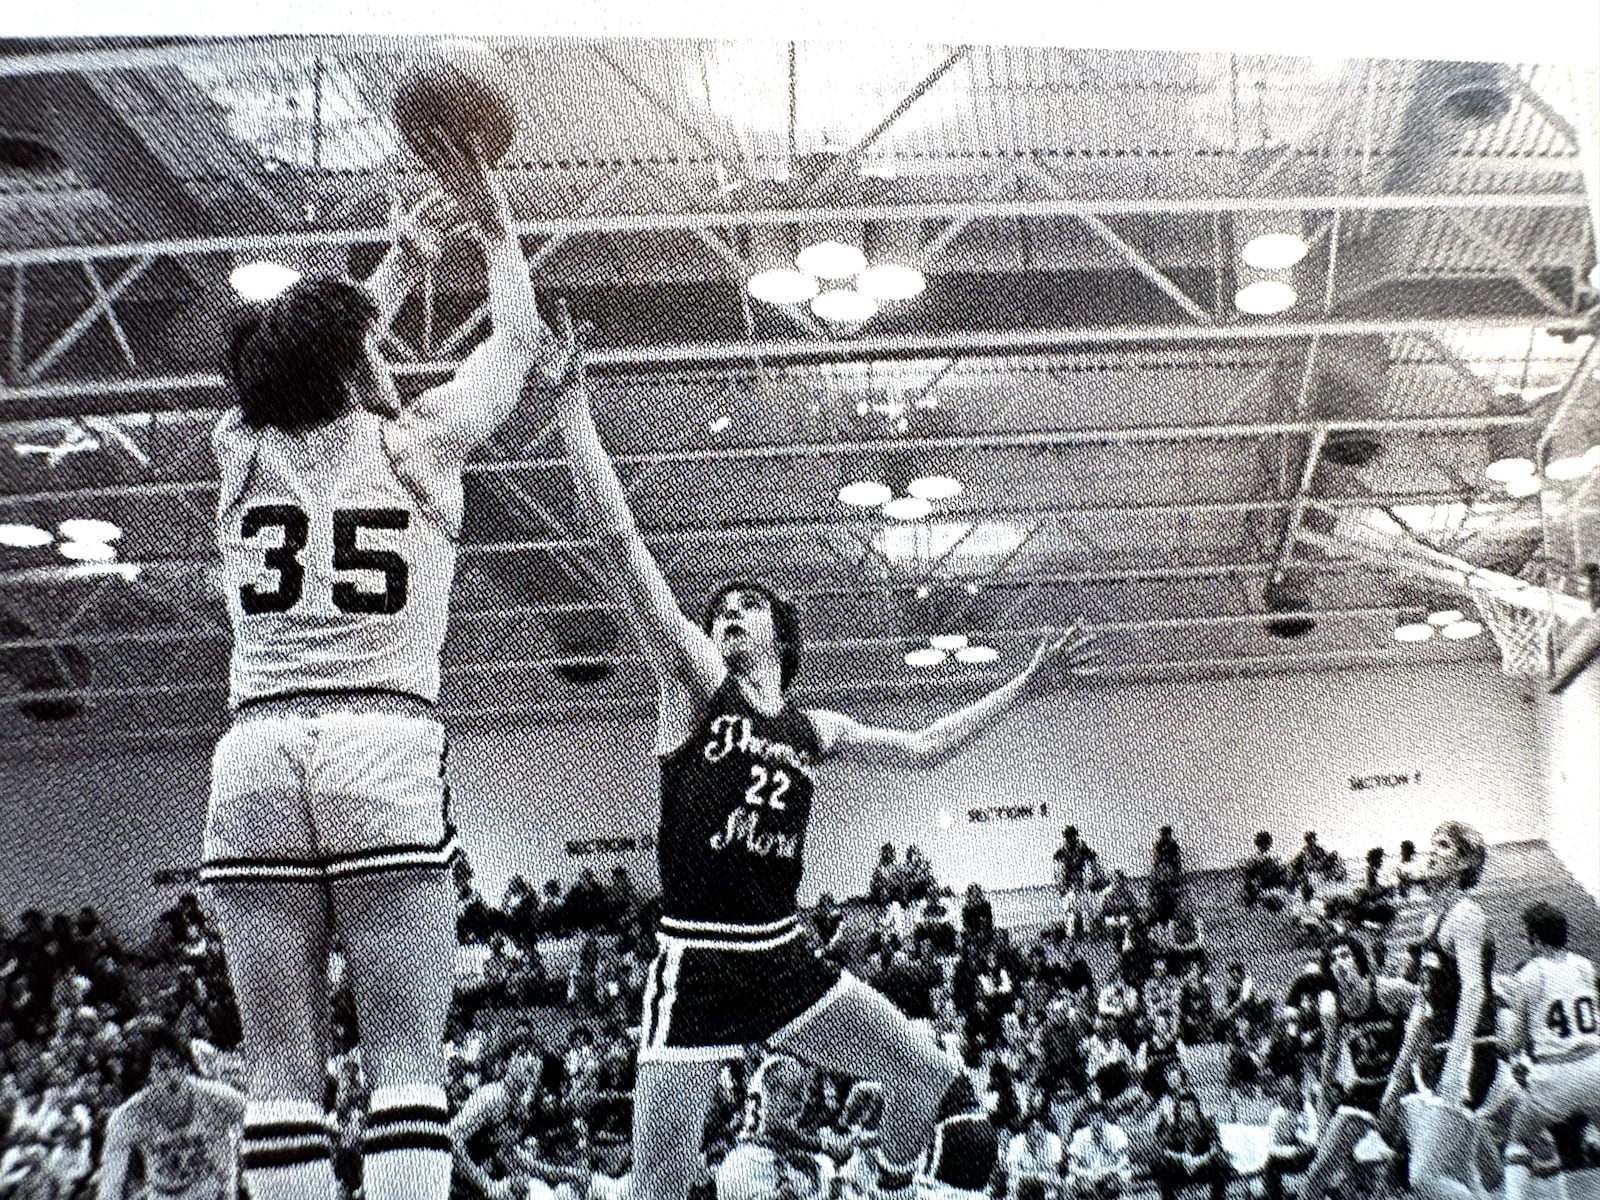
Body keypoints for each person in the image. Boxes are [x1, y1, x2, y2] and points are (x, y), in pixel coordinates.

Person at [551, 319, 1099, 1200]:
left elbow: (927, 749)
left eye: (745, 607)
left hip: (780, 952)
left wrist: (1025, 687)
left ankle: (887, 1183)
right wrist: (573, 408)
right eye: (717, 607)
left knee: (925, 1078)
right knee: (657, 1187)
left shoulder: (818, 727)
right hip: (694, 958)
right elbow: (621, 548)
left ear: (780, 632)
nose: (725, 614)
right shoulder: (694, 684)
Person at [203, 136, 570, 1200]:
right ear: (354, 363)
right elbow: (517, 335)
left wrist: (396, 268)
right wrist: (493, 222)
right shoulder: (422, 443)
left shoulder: (240, 449)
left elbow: (305, 361)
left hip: (257, 751)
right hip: (379, 740)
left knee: (280, 1074)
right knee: (406, 1064)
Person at [1380, 822, 1506, 1200]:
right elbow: (1424, 1005)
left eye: (1444, 845)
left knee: (1425, 1177)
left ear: (1465, 862)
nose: (1431, 851)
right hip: (1435, 1054)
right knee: (1476, 1176)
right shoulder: (1432, 919)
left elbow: (1475, 991)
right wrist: (1398, 1075)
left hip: (1467, 1053)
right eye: (1431, 843)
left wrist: (1456, 1065)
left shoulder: (1467, 916)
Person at [1294, 937, 1416, 1200]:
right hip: (1363, 1094)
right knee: (1320, 1168)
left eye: (1345, 955)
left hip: (1399, 1090)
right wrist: (1326, 1097)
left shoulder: (1385, 989)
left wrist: (1415, 1059)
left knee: (1406, 1176)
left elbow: (1425, 1004)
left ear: (1358, 960)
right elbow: (1330, 1054)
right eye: (1334, 959)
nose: (1340, 963)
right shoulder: (1334, 1007)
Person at [1500, 902, 1600, 1200]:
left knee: (1518, 1139)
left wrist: (1504, 1046)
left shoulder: (1531, 973)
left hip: (1556, 1073)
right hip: (1594, 1064)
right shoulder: (1584, 965)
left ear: (1534, 938)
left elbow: (1515, 1039)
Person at [96, 1027, 247, 1200]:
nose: (173, 1075)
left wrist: (239, 1163)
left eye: (178, 1065)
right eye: (163, 1067)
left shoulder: (219, 1098)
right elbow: (110, 1187)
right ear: (147, 1075)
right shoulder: (128, 1117)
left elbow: (255, 1120)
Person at [450, 1035, 595, 1200]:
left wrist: (559, 1173)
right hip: (456, 1186)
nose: (529, 1077)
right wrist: (486, 1184)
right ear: (512, 1060)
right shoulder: (490, 1095)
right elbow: (452, 1139)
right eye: (527, 1068)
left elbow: (513, 1154)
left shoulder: (517, 1106)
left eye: (534, 1073)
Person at [715, 1055, 833, 1200]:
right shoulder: (739, 1162)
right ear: (760, 1100)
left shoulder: (796, 1161)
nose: (800, 1105)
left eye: (802, 1094)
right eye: (793, 1093)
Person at [1063, 1102, 1132, 1200]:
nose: (1096, 1123)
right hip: (1087, 1174)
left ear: (1105, 1119)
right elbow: (1072, 1164)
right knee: (1078, 1184)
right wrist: (1087, 1174)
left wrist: (1108, 1171)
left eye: (1100, 1119)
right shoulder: (1080, 1135)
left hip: (1110, 1173)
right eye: (1093, 1119)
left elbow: (1123, 1160)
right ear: (1088, 1120)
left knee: (1116, 1182)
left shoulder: (1116, 1132)